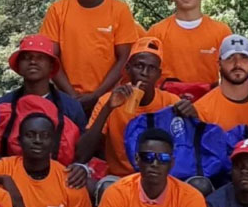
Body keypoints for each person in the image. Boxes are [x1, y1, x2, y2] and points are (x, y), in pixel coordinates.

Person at [39, 0, 143, 111]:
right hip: (66, 99)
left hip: (109, 98)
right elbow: (51, 57)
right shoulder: (58, 10)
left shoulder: (119, 10)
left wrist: (97, 95)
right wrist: (72, 96)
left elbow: (124, 59)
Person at [79, 37, 193, 180]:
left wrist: (191, 116)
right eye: (139, 66)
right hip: (120, 178)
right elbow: (82, 154)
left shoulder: (170, 102)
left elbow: (187, 149)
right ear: (128, 69)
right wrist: (108, 108)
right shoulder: (108, 100)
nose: (144, 73)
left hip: (162, 177)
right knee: (106, 186)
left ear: (158, 75)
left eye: (151, 68)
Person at [0, 112, 96, 207]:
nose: (37, 141)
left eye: (44, 136)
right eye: (30, 135)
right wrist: (3, 179)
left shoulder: (70, 179)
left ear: (54, 142)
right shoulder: (3, 168)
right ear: (19, 141)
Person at [95, 127, 211, 207]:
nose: (155, 164)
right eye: (148, 157)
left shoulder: (190, 198)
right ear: (137, 159)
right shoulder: (116, 193)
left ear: (172, 163)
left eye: (163, 158)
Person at [145, 0, 232, 88]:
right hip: (167, 103)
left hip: (206, 103)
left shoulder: (221, 31)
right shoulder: (156, 32)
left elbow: (231, 73)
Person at [0, 35, 90, 131]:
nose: (33, 61)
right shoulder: (2, 106)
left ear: (51, 66)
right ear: (18, 65)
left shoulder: (71, 107)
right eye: (26, 57)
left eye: (40, 58)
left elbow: (82, 144)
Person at [192, 34, 248, 130]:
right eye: (230, 58)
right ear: (219, 64)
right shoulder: (201, 109)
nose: (237, 63)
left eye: (244, 57)